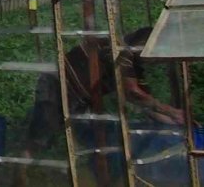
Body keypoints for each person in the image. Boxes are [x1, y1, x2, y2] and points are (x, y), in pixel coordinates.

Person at [26, 26, 185, 155]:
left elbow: (145, 103)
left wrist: (176, 122)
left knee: (83, 139)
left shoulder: (134, 65)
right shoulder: (120, 51)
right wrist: (172, 112)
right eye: (156, 54)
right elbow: (133, 93)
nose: (157, 60)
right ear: (144, 43)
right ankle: (19, 175)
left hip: (79, 97)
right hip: (57, 86)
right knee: (38, 140)